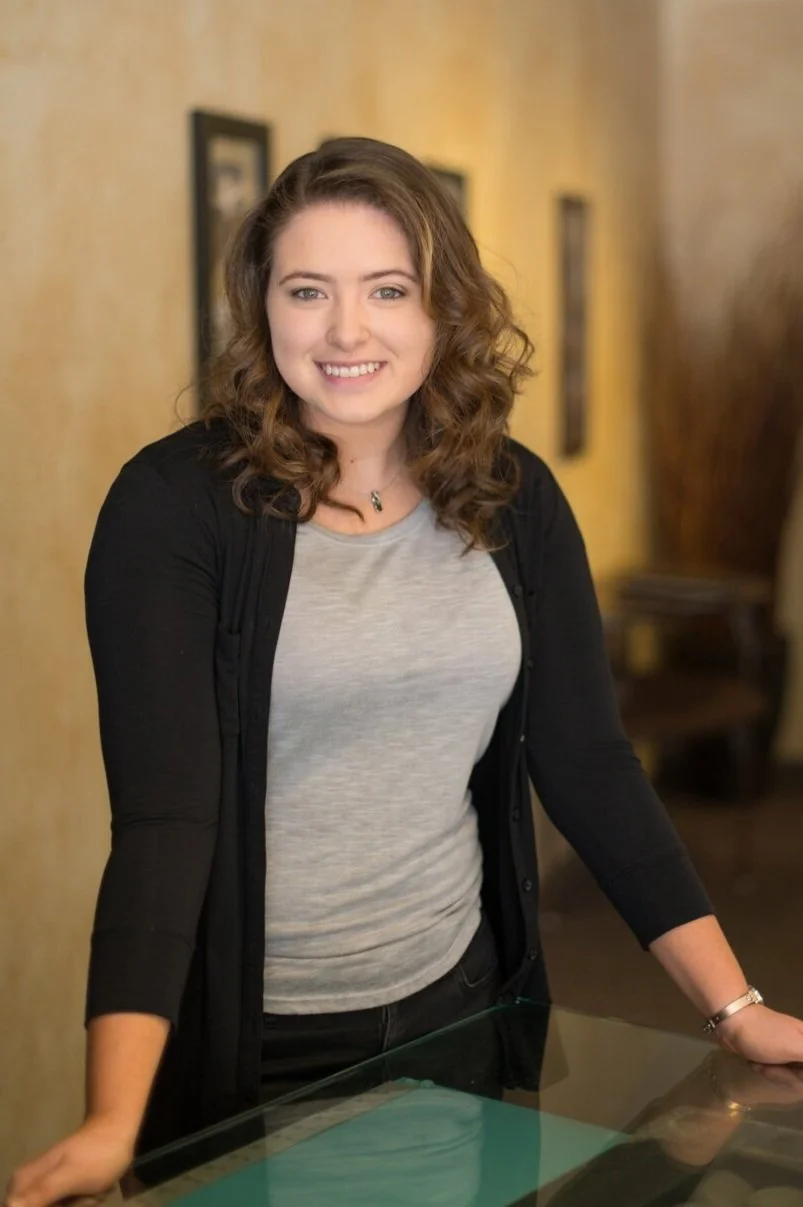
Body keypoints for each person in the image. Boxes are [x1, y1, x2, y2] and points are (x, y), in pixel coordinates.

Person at [6, 136, 803, 1207]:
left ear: (444, 309)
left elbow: (587, 763)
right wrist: (112, 1122)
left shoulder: (511, 497)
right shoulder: (171, 508)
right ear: (261, 308)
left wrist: (732, 1009)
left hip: (464, 1011)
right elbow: (163, 825)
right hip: (257, 1044)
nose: (346, 330)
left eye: (388, 289)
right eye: (307, 290)